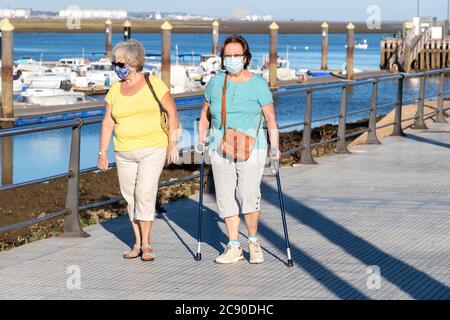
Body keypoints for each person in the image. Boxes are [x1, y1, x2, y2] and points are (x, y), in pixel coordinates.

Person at [198, 35, 280, 264]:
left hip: (252, 146)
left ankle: (253, 242)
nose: (232, 59)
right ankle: (234, 246)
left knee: (248, 194)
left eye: (237, 55)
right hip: (219, 145)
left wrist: (275, 147)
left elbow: (270, 119)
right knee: (224, 196)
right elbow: (205, 113)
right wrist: (201, 138)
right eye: (228, 55)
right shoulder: (215, 82)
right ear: (222, 58)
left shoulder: (258, 84)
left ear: (245, 58)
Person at [98, 39, 179, 262]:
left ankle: (147, 243)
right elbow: (108, 122)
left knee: (144, 193)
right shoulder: (114, 90)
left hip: (153, 148)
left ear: (134, 62)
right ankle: (137, 243)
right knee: (130, 197)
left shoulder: (153, 83)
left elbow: (172, 113)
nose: (117, 68)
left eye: (121, 64)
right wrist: (102, 152)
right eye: (115, 64)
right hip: (123, 151)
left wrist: (172, 144)